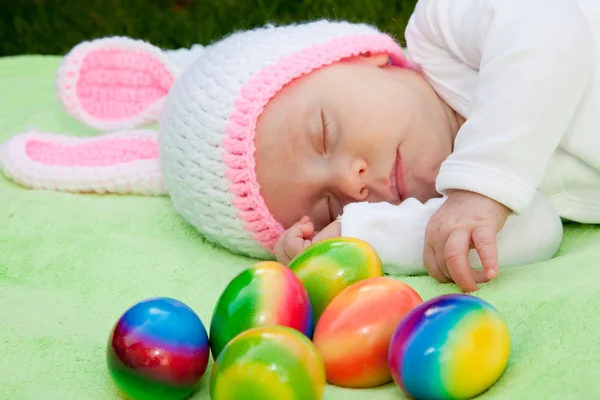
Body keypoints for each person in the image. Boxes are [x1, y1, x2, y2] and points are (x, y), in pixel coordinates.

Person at [3, 0, 597, 293]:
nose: (351, 180)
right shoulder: (481, 197)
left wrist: (479, 185)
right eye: (333, 207)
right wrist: (370, 239)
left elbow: (553, 33)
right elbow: (532, 229)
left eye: (324, 133)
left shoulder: (445, 32)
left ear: (365, 59)